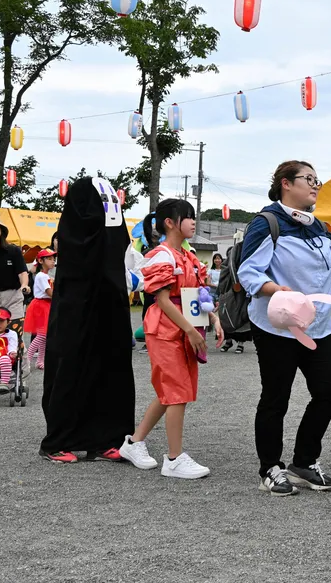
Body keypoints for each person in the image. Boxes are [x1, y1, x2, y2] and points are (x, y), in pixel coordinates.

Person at [237, 160, 331, 495]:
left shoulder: (319, 228)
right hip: (276, 326)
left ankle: (303, 462)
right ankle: (270, 467)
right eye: (308, 179)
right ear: (285, 183)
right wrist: (274, 289)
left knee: (329, 390)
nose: (315, 186)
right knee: (276, 398)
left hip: (318, 326)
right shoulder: (267, 223)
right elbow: (249, 271)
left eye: (317, 180)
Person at [120, 199, 223, 479]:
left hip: (182, 327)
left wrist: (212, 319)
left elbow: (196, 296)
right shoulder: (163, 255)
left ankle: (134, 442)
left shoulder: (186, 256)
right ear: (170, 222)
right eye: (188, 217)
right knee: (176, 391)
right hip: (166, 329)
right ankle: (174, 458)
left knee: (172, 392)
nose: (193, 222)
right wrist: (190, 329)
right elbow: (162, 299)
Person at [40, 178, 135, 464]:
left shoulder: (115, 230)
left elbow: (121, 256)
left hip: (111, 307)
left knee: (111, 371)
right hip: (77, 309)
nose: (106, 210)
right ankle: (58, 440)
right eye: (100, 202)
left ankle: (107, 439)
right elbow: (84, 252)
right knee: (71, 369)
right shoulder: (72, 232)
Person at [23, 249, 56, 370]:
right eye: (49, 259)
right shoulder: (42, 276)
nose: (53, 261)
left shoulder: (46, 276)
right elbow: (50, 292)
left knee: (44, 335)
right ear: (41, 261)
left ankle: (40, 361)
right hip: (41, 306)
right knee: (42, 335)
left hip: (46, 305)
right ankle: (27, 359)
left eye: (53, 259)